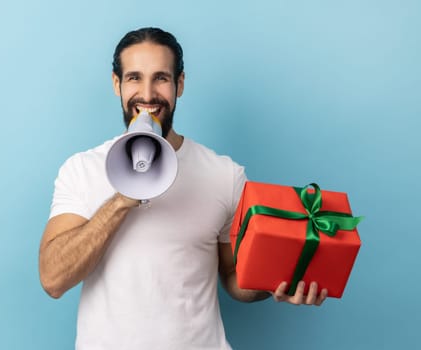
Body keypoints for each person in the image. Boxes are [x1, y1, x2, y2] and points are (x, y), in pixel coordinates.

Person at [38, 27, 327, 350]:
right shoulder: (82, 169)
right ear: (116, 84)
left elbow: (233, 276)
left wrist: (276, 281)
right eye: (134, 78)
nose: (147, 94)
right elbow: (53, 279)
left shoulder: (225, 174)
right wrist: (121, 200)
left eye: (161, 78)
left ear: (180, 84)